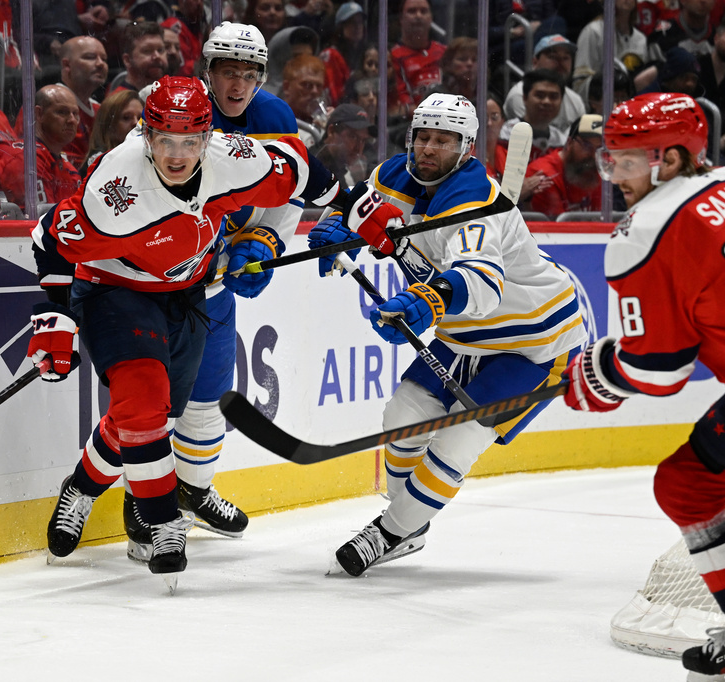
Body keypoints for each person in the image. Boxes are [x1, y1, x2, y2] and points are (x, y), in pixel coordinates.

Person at [30, 75, 339, 578]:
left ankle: (80, 488)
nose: (178, 154)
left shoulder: (229, 157)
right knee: (144, 405)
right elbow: (50, 238)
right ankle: (163, 521)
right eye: (165, 141)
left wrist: (352, 210)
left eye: (190, 141)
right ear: (146, 137)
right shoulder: (116, 185)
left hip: (185, 294)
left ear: (207, 137)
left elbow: (298, 165)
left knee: (147, 418)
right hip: (116, 290)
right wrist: (57, 315)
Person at [308, 93, 587, 577]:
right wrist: (338, 230)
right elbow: (360, 213)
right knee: (401, 418)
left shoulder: (473, 201)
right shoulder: (393, 176)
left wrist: (427, 302)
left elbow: (481, 281)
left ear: (467, 148)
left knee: (457, 441)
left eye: (444, 140)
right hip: (464, 336)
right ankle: (408, 525)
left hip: (535, 341)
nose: (429, 149)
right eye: (423, 137)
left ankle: (389, 532)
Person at [560, 91, 725, 679]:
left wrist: (596, 379)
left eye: (627, 161)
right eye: (611, 160)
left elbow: (661, 372)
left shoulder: (650, 227)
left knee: (687, 486)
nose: (614, 175)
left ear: (673, 160)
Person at [0, 83, 81, 208]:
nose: (72, 120)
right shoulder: (26, 160)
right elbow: (39, 222)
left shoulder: (69, 170)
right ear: (39, 114)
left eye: (75, 113)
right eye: (62, 112)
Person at [503, 34, 586, 134]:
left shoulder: (576, 100)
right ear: (535, 62)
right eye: (553, 57)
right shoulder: (519, 94)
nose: (560, 62)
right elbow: (532, 136)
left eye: (565, 58)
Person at [525, 113, 603, 217]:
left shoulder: (594, 169)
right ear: (569, 143)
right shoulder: (544, 175)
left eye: (600, 148)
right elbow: (557, 230)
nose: (593, 155)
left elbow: (599, 220)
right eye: (586, 145)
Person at [57, 36, 108, 169]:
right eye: (90, 57)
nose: (100, 64)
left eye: (104, 59)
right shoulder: (47, 104)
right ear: (67, 65)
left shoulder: (101, 110)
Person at [501, 69, 569, 164]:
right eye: (540, 96)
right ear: (525, 98)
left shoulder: (562, 142)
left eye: (553, 97)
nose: (547, 102)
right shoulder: (505, 135)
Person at [390, 0, 445, 114]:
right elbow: (401, 99)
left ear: (431, 18)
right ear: (401, 18)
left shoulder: (443, 51)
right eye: (412, 11)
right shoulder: (393, 56)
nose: (418, 15)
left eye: (423, 11)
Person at [311, 102, 372, 185]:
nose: (358, 148)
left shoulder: (338, 167)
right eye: (353, 136)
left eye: (363, 140)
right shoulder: (315, 168)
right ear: (331, 131)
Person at [81, 88, 142, 170]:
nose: (136, 123)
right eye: (126, 118)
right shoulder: (100, 163)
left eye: (141, 118)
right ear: (110, 125)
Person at [109, 21, 168, 94]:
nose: (157, 56)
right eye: (147, 51)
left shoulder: (171, 95)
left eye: (160, 50)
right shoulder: (119, 102)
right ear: (127, 60)